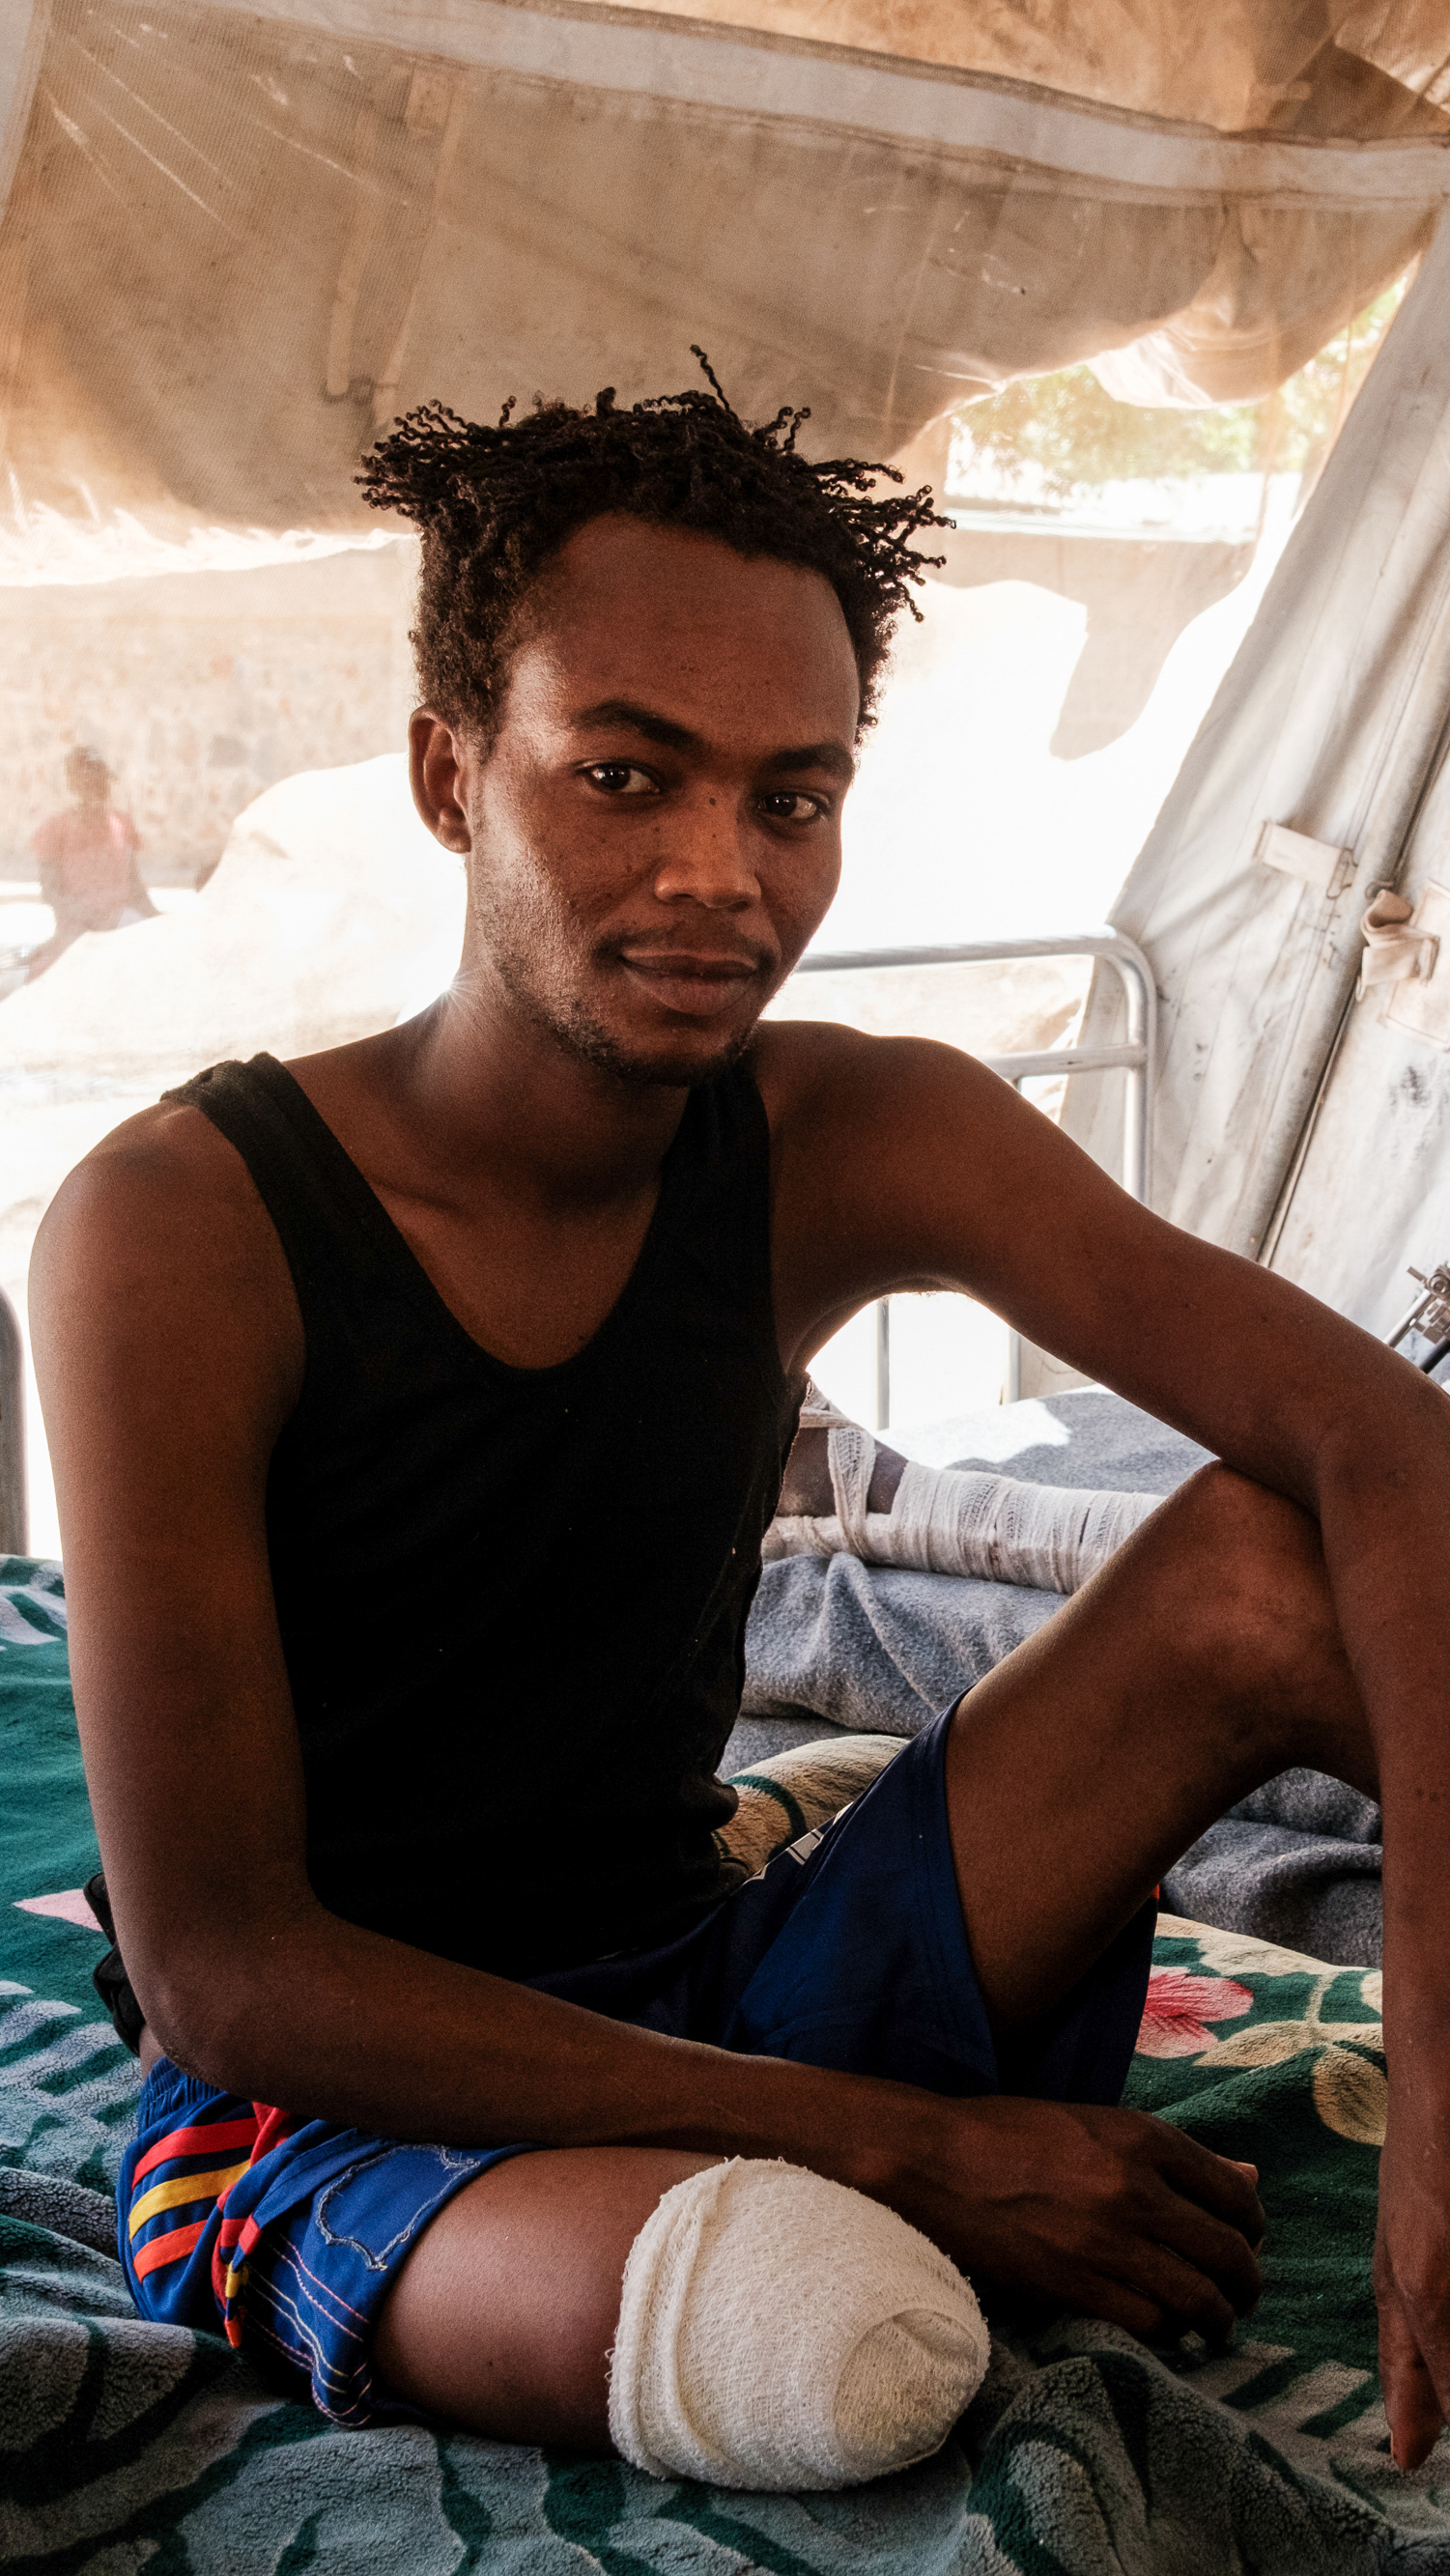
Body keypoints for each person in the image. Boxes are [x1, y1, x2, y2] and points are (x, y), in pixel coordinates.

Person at [29, 363, 1450, 2487]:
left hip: (720, 1964)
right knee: (838, 2332)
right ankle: (841, 2197)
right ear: (450, 774)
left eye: (791, 798)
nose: (719, 875)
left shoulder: (856, 1131)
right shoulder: (179, 1229)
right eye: (624, 773)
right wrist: (921, 2145)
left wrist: (1434, 2065)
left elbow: (1383, 1449)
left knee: (1260, 1553)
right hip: (344, 2099)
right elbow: (231, 1973)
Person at [24, 746, 156, 981]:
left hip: (121, 921)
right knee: (77, 973)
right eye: (85, 786)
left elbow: (135, 889)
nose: (93, 794)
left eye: (98, 786)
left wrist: (158, 920)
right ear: (74, 788)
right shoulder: (57, 829)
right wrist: (89, 918)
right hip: (77, 926)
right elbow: (51, 891)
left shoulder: (121, 825)